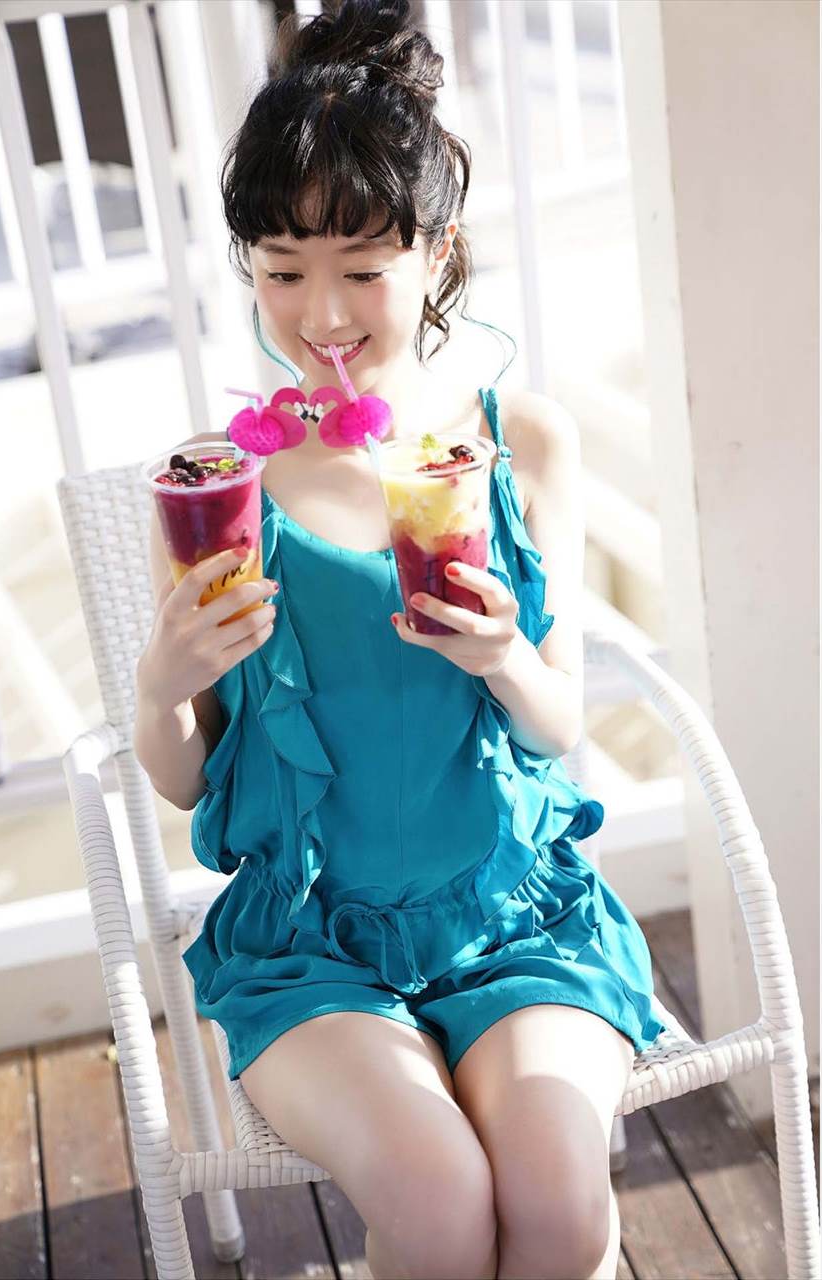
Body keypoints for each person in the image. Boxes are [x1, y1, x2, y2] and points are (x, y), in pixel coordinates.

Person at [134, 2, 665, 1277]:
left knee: (558, 1201)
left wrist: (503, 655)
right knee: (436, 1197)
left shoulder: (521, 442)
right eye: (281, 269)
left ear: (437, 253)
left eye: (361, 267)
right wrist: (165, 683)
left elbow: (560, 721)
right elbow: (188, 779)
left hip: (515, 910)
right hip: (309, 943)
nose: (320, 311)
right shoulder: (218, 487)